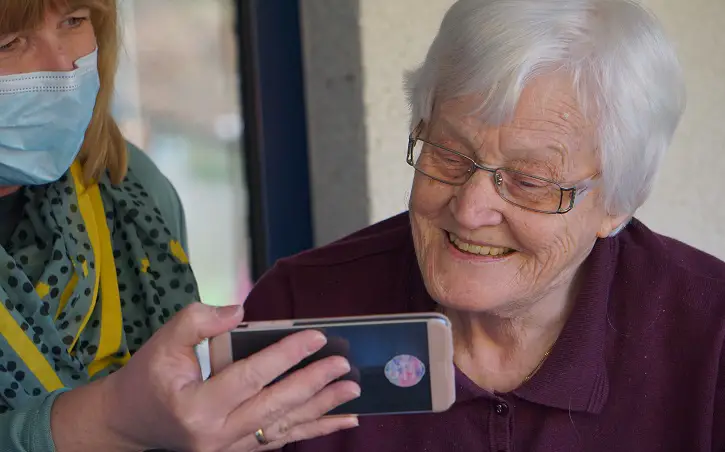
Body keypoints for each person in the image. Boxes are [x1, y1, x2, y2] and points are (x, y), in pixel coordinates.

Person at [242, 0, 725, 450]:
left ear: (617, 204)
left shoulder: (710, 337)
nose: (470, 210)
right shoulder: (303, 307)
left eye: (530, 180)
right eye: (448, 155)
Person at [0, 1, 360, 451]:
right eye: (10, 43)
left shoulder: (127, 188)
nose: (62, 67)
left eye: (73, 21)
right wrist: (114, 419)